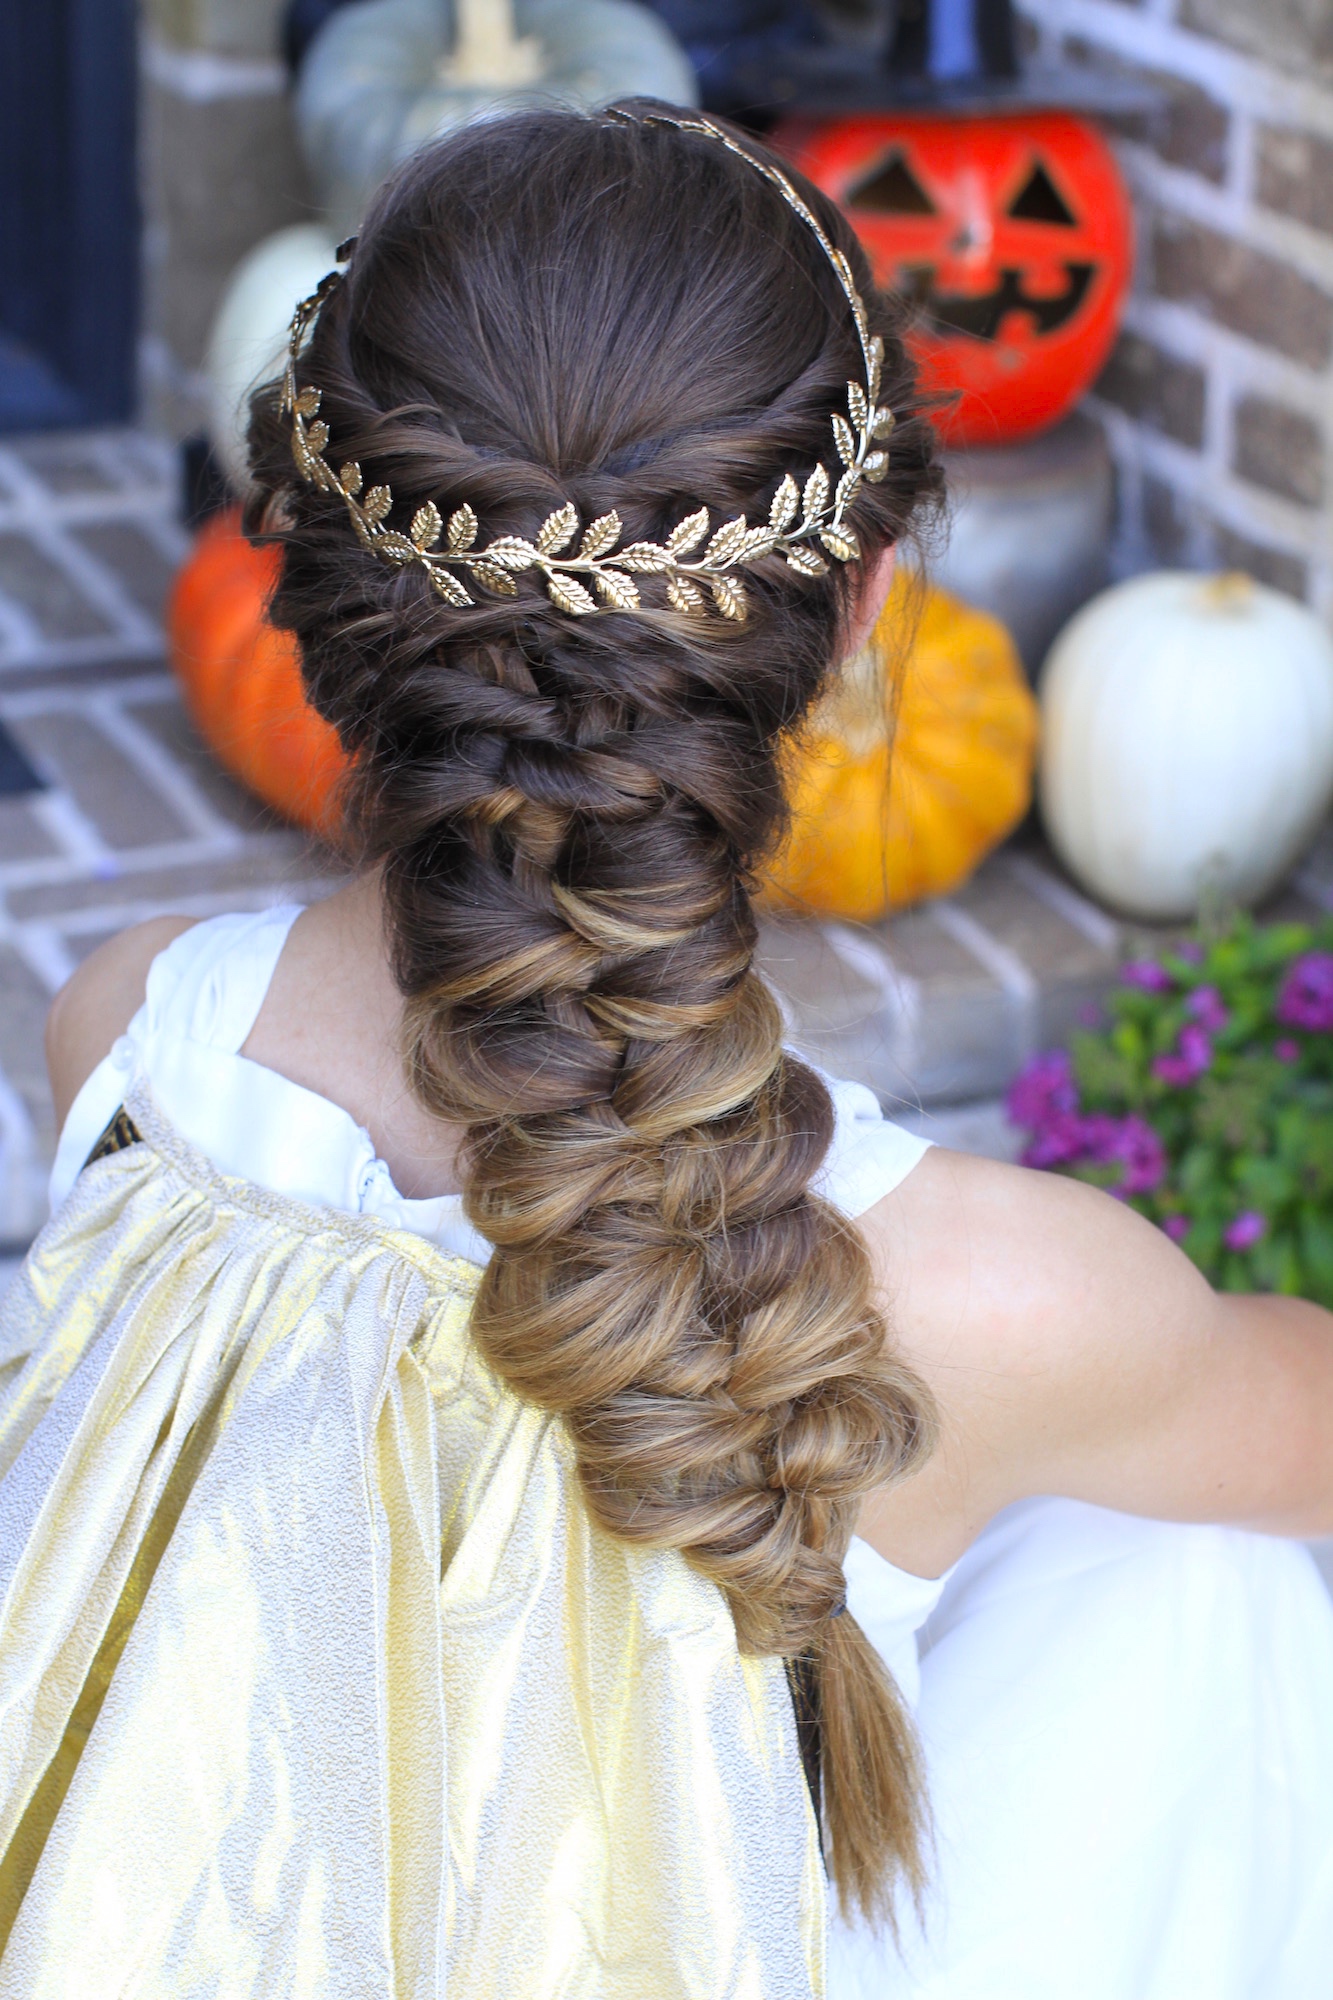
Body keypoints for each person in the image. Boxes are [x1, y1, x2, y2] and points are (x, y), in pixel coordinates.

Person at [2, 105, 1332, 1999]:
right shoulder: (976, 1299)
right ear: (867, 615)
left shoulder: (126, 1031)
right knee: (1194, 1579)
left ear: (309, 606)